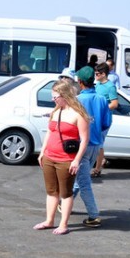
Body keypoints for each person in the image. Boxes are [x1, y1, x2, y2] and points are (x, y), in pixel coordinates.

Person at [34, 80, 89, 235]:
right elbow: (49, 132)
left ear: (65, 95)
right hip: (49, 157)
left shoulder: (78, 115)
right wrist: (42, 152)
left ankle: (63, 224)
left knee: (65, 193)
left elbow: (85, 140)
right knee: (51, 191)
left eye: (55, 97)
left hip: (66, 160)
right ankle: (49, 220)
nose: (53, 100)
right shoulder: (56, 111)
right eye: (52, 97)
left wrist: (76, 160)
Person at [72, 66, 112, 228]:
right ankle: (64, 202)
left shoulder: (77, 101)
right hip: (95, 145)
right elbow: (106, 123)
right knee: (81, 177)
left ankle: (93, 215)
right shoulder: (101, 99)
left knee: (84, 183)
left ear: (80, 82)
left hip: (81, 146)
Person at [92, 62, 118, 177]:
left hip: (104, 120)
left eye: (97, 74)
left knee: (99, 144)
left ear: (103, 74)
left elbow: (114, 104)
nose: (96, 76)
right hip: (95, 118)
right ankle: (101, 161)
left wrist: (101, 108)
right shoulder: (98, 84)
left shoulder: (110, 87)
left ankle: (97, 169)